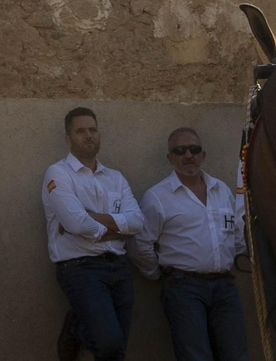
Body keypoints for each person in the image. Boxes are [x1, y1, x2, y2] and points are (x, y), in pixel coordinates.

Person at [132, 128, 248, 361]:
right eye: (179, 150)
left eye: (194, 150)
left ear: (203, 155)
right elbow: (140, 244)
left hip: (225, 288)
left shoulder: (222, 190)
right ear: (170, 157)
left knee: (236, 356)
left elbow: (236, 234)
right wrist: (159, 274)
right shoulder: (157, 197)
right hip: (184, 289)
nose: (188, 155)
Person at [43, 107, 142, 361]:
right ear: (68, 138)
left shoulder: (115, 178)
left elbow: (138, 222)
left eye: (93, 130)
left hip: (119, 268)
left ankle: (79, 326)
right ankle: (76, 329)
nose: (88, 136)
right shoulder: (58, 174)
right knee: (109, 344)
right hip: (80, 269)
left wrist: (93, 219)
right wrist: (119, 232)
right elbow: (77, 224)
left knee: (116, 349)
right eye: (80, 131)